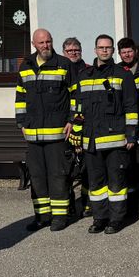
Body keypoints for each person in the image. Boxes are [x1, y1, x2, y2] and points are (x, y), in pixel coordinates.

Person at [72, 35, 139, 234]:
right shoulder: (84, 75)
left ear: (113, 51)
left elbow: (131, 106)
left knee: (116, 183)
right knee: (96, 183)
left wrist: (131, 135)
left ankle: (116, 219)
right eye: (101, 48)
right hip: (91, 141)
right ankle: (99, 218)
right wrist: (76, 135)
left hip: (115, 140)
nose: (104, 51)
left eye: (108, 48)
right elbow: (77, 108)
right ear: (95, 50)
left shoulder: (123, 75)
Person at [15, 29, 75, 232]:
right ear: (34, 44)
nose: (46, 46)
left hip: (57, 133)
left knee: (58, 175)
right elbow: (20, 97)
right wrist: (21, 122)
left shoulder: (63, 64)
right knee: (38, 177)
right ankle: (42, 216)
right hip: (32, 134)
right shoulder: (26, 66)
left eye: (49, 41)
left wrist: (72, 120)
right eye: (42, 43)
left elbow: (75, 95)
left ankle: (60, 217)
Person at [118, 37, 139, 220]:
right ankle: (132, 206)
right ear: (120, 54)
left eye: (130, 51)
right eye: (123, 52)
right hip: (123, 128)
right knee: (128, 168)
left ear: (136, 52)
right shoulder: (116, 72)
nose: (127, 55)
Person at [61, 36, 89, 217]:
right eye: (70, 51)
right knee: (66, 170)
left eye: (76, 50)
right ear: (64, 53)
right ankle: (69, 203)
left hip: (86, 125)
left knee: (88, 168)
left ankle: (88, 203)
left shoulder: (89, 70)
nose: (73, 53)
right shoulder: (60, 69)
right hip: (65, 127)